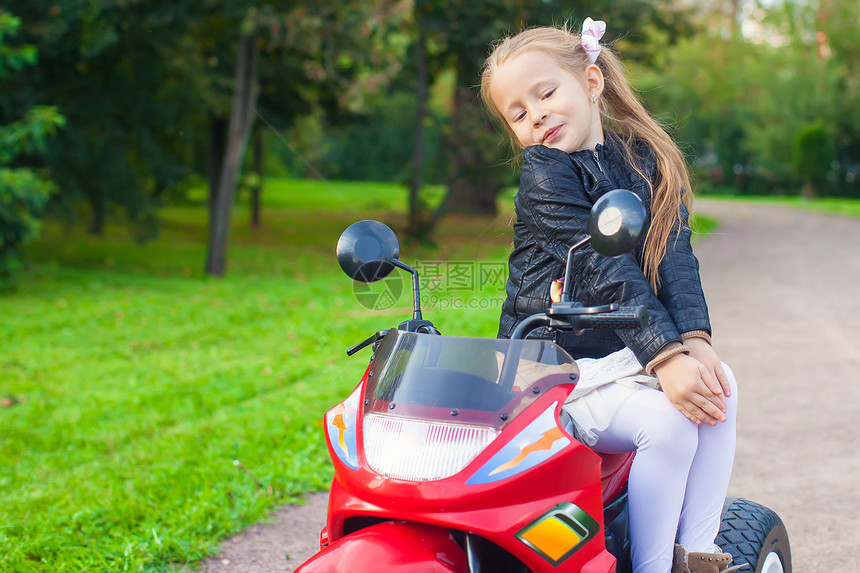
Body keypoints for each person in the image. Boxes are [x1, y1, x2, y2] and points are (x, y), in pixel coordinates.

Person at [480, 19, 741, 573]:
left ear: (591, 82)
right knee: (666, 421)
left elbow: (673, 256)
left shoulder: (641, 159)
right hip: (551, 370)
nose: (536, 115)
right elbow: (605, 266)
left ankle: (696, 549)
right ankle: (651, 566)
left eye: (545, 93)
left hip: (616, 356)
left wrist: (693, 340)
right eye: (518, 113)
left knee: (722, 388)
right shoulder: (544, 173)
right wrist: (665, 358)